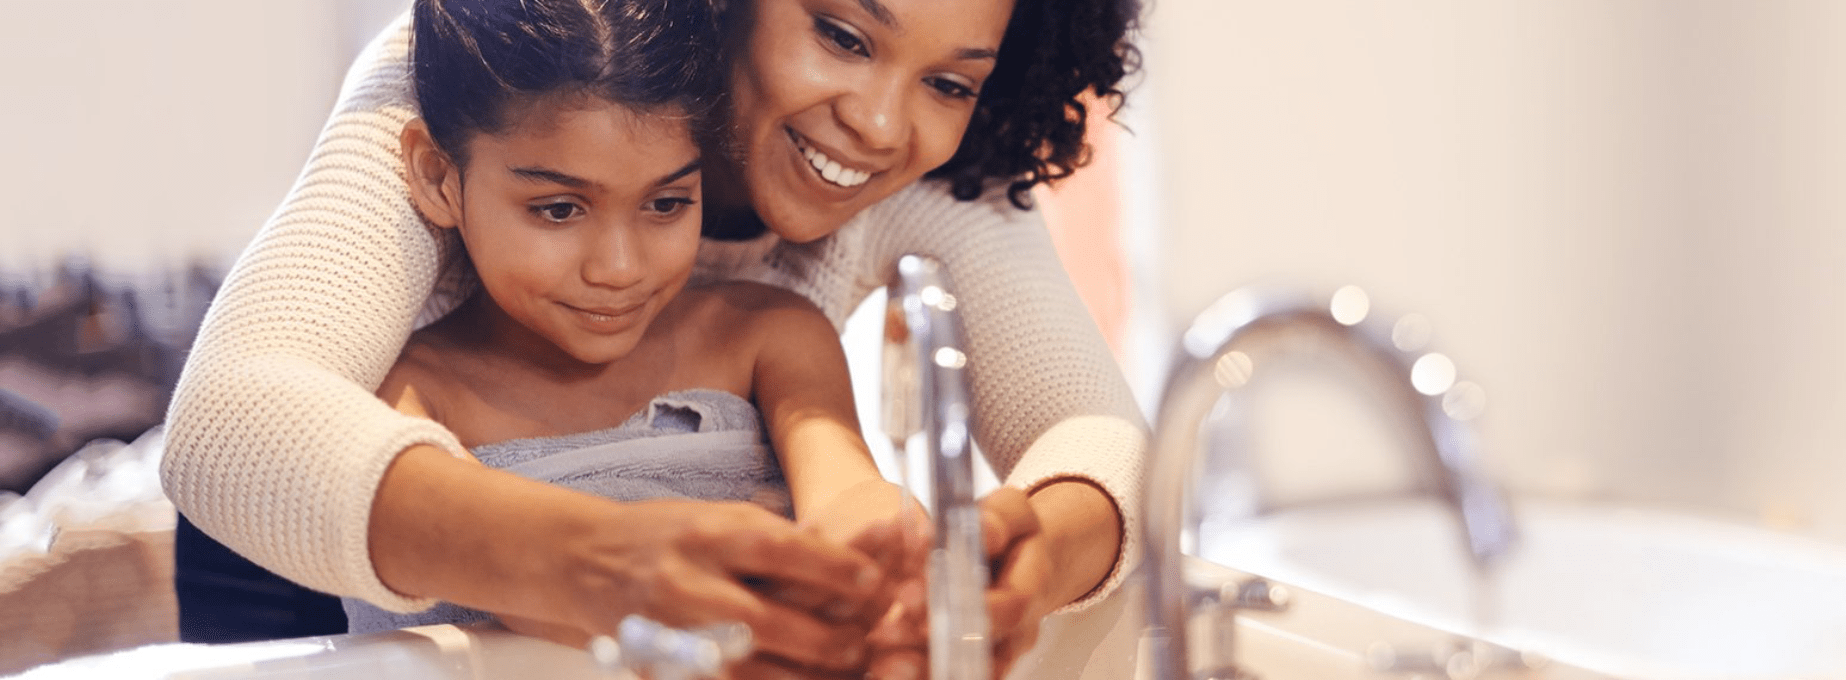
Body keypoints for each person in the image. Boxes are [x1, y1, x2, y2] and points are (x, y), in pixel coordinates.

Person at [161, 0, 1146, 676]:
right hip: (285, 564)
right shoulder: (487, 69)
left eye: (951, 82)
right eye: (843, 35)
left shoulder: (891, 214)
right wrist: (594, 561)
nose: (881, 122)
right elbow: (226, 421)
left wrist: (1033, 559)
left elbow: (1106, 433)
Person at [332, 0, 913, 651]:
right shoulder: (404, 396)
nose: (618, 267)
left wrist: (888, 559)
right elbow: (489, 579)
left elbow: (849, 494)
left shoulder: (766, 338)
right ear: (439, 175)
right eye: (558, 210)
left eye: (666, 203)